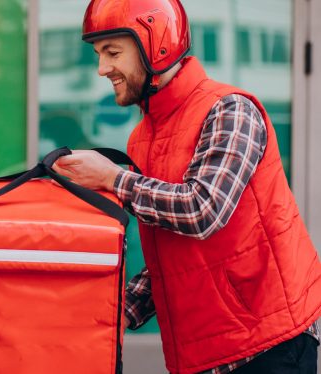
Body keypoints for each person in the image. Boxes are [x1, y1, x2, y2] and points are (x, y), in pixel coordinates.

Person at [52, 0, 321, 373]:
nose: (102, 68)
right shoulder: (142, 139)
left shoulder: (228, 111)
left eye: (113, 52)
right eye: (99, 54)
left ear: (156, 45)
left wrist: (112, 178)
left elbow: (203, 210)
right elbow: (173, 249)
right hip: (202, 352)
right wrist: (122, 310)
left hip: (266, 344)